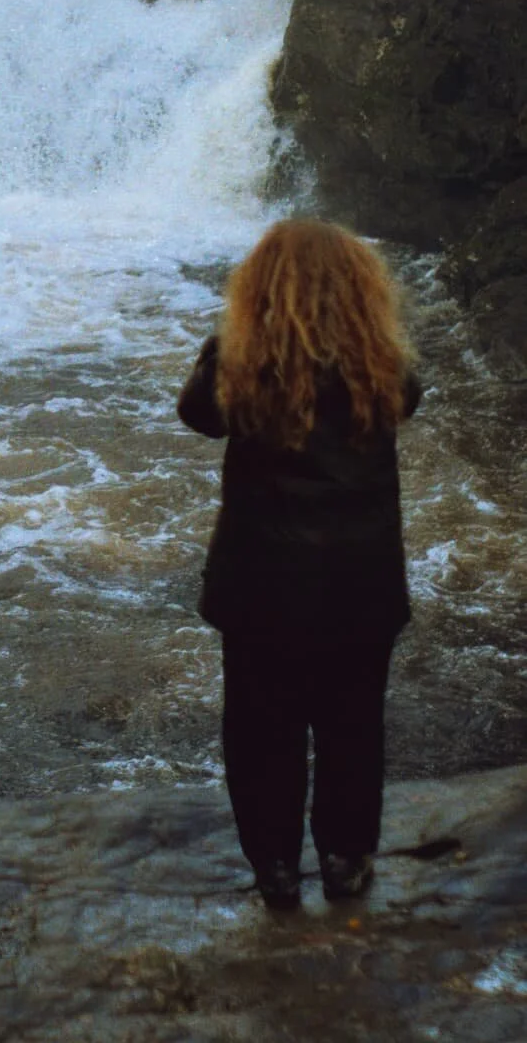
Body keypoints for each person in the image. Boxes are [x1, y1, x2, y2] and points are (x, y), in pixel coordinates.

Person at [177, 216, 421, 911]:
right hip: (360, 583)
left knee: (261, 731)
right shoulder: (379, 359)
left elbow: (196, 416)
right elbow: (409, 399)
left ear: (261, 286)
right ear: (359, 288)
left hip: (262, 585)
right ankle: (345, 859)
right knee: (352, 725)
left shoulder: (239, 357)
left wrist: (223, 346)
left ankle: (276, 869)